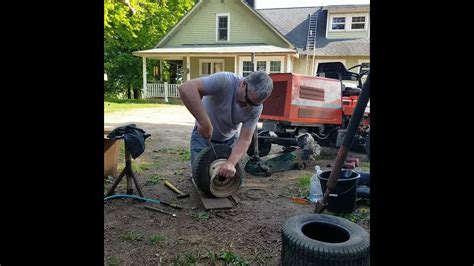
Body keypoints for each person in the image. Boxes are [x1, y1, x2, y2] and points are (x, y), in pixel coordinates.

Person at [178, 71, 273, 178]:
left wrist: (231, 163)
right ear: (243, 84)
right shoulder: (225, 81)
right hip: (202, 139)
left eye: (253, 104)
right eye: (247, 100)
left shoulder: (256, 108)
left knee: (225, 176)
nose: (247, 105)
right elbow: (186, 88)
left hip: (229, 141)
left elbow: (245, 139)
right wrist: (203, 122)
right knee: (201, 177)